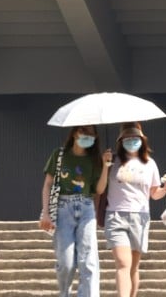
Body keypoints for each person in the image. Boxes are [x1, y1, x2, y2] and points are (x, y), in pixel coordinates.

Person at [39, 125, 112, 297]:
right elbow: (47, 185)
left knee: (89, 260)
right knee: (66, 262)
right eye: (83, 132)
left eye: (91, 134)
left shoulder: (94, 159)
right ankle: (64, 292)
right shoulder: (59, 154)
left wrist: (106, 165)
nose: (87, 136)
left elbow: (99, 190)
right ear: (74, 133)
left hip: (86, 208)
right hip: (62, 207)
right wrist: (46, 212)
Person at [104, 122, 166, 297]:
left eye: (135, 138)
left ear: (142, 140)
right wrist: (104, 164)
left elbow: (154, 194)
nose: (131, 141)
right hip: (116, 215)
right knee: (122, 263)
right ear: (120, 140)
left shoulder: (150, 163)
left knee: (133, 267)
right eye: (127, 138)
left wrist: (165, 189)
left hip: (140, 217)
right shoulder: (112, 160)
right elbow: (100, 186)